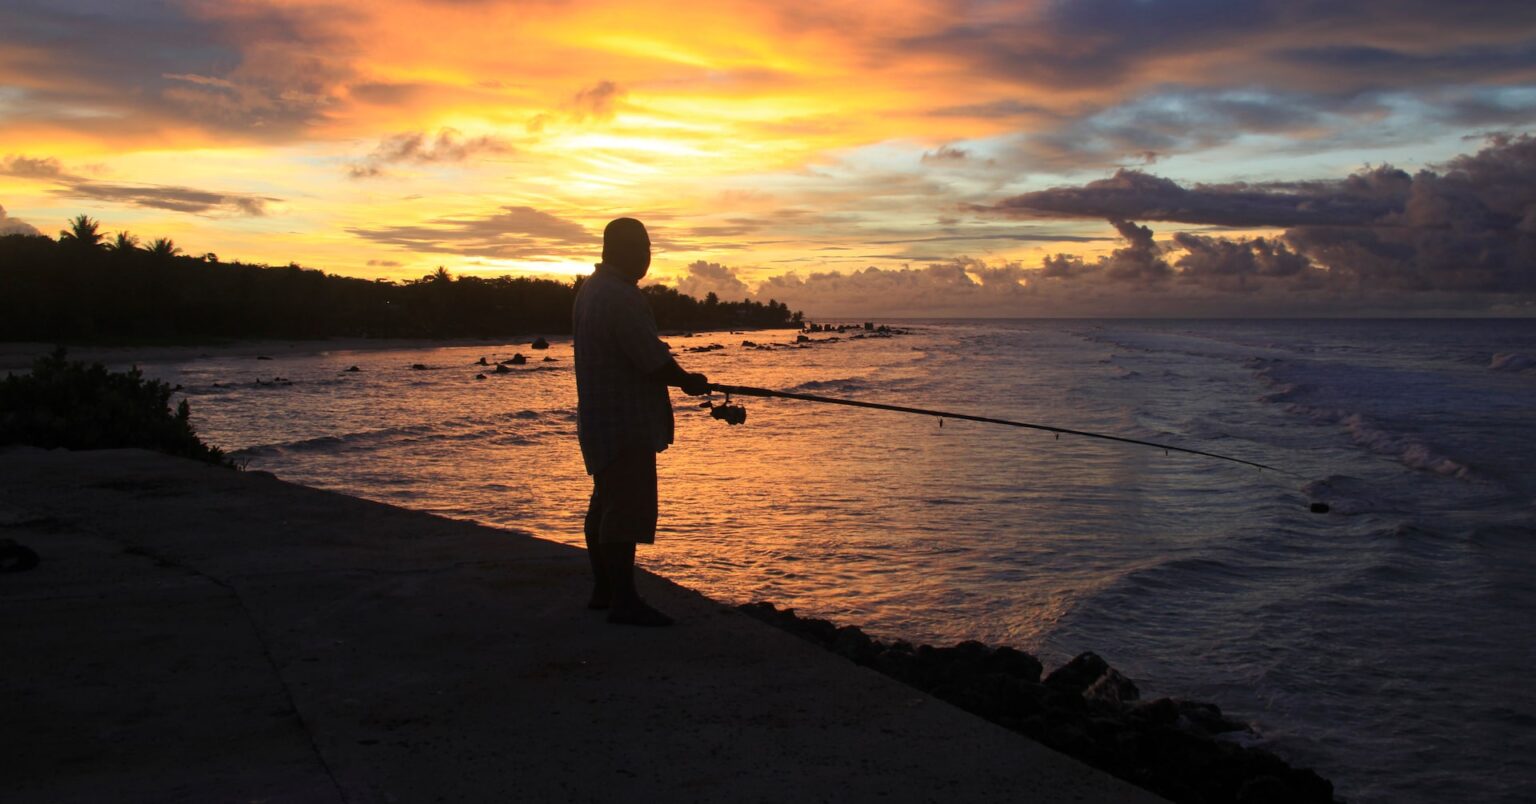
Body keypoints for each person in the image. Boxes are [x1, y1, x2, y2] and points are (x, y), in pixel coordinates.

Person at [573, 217, 709, 626]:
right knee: (624, 511)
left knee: (605, 505)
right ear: (617, 249)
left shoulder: (591, 290)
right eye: (642, 247)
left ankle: (605, 589)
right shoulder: (620, 296)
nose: (647, 256)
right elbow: (650, 359)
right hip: (624, 420)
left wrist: (682, 379)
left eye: (649, 248)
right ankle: (624, 601)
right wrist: (688, 381)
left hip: (601, 418)